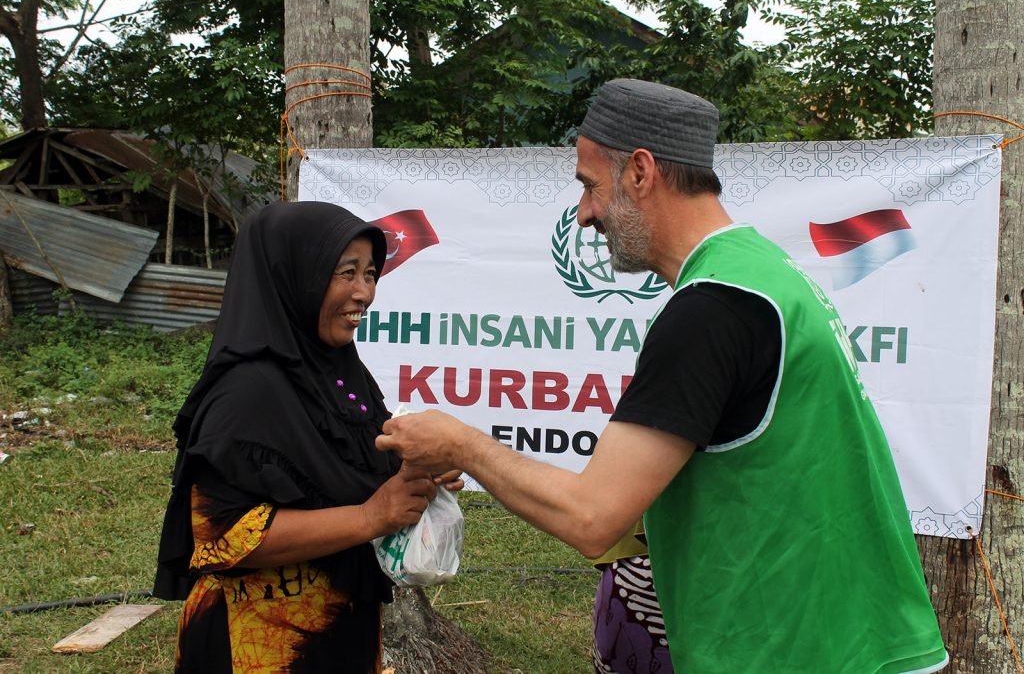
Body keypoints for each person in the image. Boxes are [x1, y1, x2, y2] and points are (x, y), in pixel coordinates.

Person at [376, 79, 948, 673]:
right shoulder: (764, 272)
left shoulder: (712, 307)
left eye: (590, 186)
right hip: (860, 640)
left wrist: (461, 444)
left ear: (641, 172)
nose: (585, 213)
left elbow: (593, 518)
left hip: (802, 652)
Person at [153, 201, 460, 673]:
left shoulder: (340, 374)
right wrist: (370, 516)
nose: (365, 293)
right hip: (255, 644)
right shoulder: (246, 392)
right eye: (346, 273)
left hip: (339, 631)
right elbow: (221, 538)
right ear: (293, 274)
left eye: (371, 274)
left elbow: (353, 472)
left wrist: (418, 472)